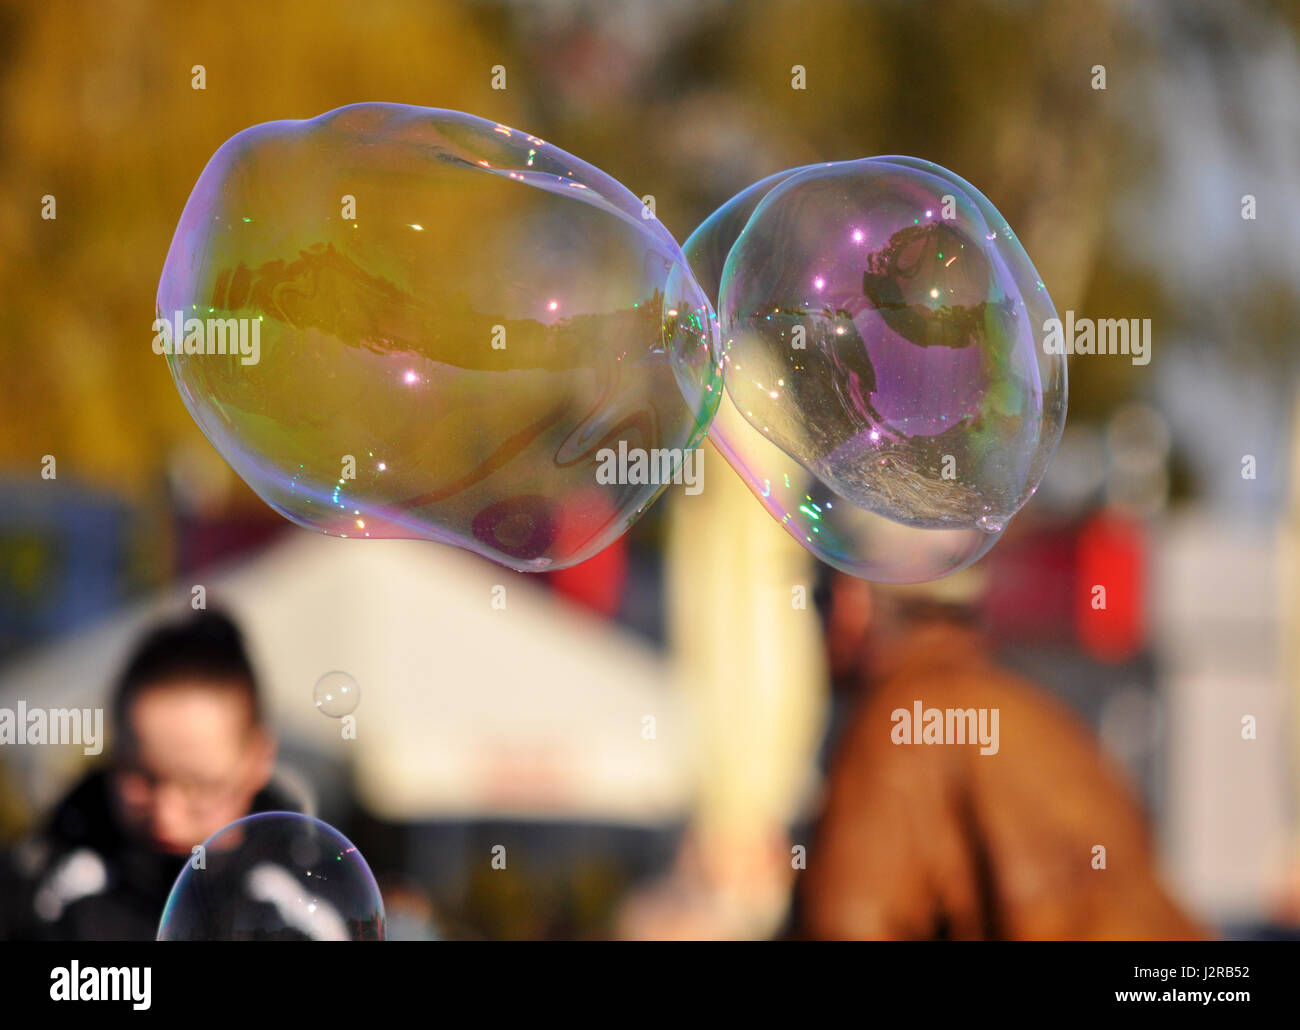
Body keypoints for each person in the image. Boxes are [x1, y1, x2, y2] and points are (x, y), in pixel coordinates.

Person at [799, 573, 1204, 940]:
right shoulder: (1030, 702)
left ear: (854, 603)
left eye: (819, 598)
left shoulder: (902, 718)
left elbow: (845, 923)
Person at [1, 609, 305, 940]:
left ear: (259, 760)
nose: (165, 816)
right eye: (141, 779)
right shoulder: (42, 884)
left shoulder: (303, 903)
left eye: (200, 786)